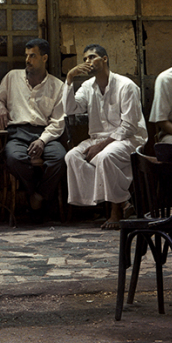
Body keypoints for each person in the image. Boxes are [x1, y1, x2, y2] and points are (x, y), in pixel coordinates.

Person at [62, 44, 147, 228]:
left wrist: (101, 146)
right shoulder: (87, 86)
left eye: (92, 57)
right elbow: (70, 109)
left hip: (129, 138)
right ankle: (123, 202)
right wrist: (69, 79)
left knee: (105, 157)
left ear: (105, 59)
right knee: (72, 157)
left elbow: (130, 126)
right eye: (85, 59)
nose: (88, 62)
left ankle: (116, 210)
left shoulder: (126, 86)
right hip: (99, 138)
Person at [0, 38, 66, 219]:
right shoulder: (12, 77)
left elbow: (58, 121)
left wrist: (42, 140)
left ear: (44, 58)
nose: (27, 60)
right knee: (14, 158)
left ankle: (38, 196)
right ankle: (35, 193)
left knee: (60, 158)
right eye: (26, 56)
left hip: (45, 133)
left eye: (33, 56)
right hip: (17, 133)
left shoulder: (57, 86)